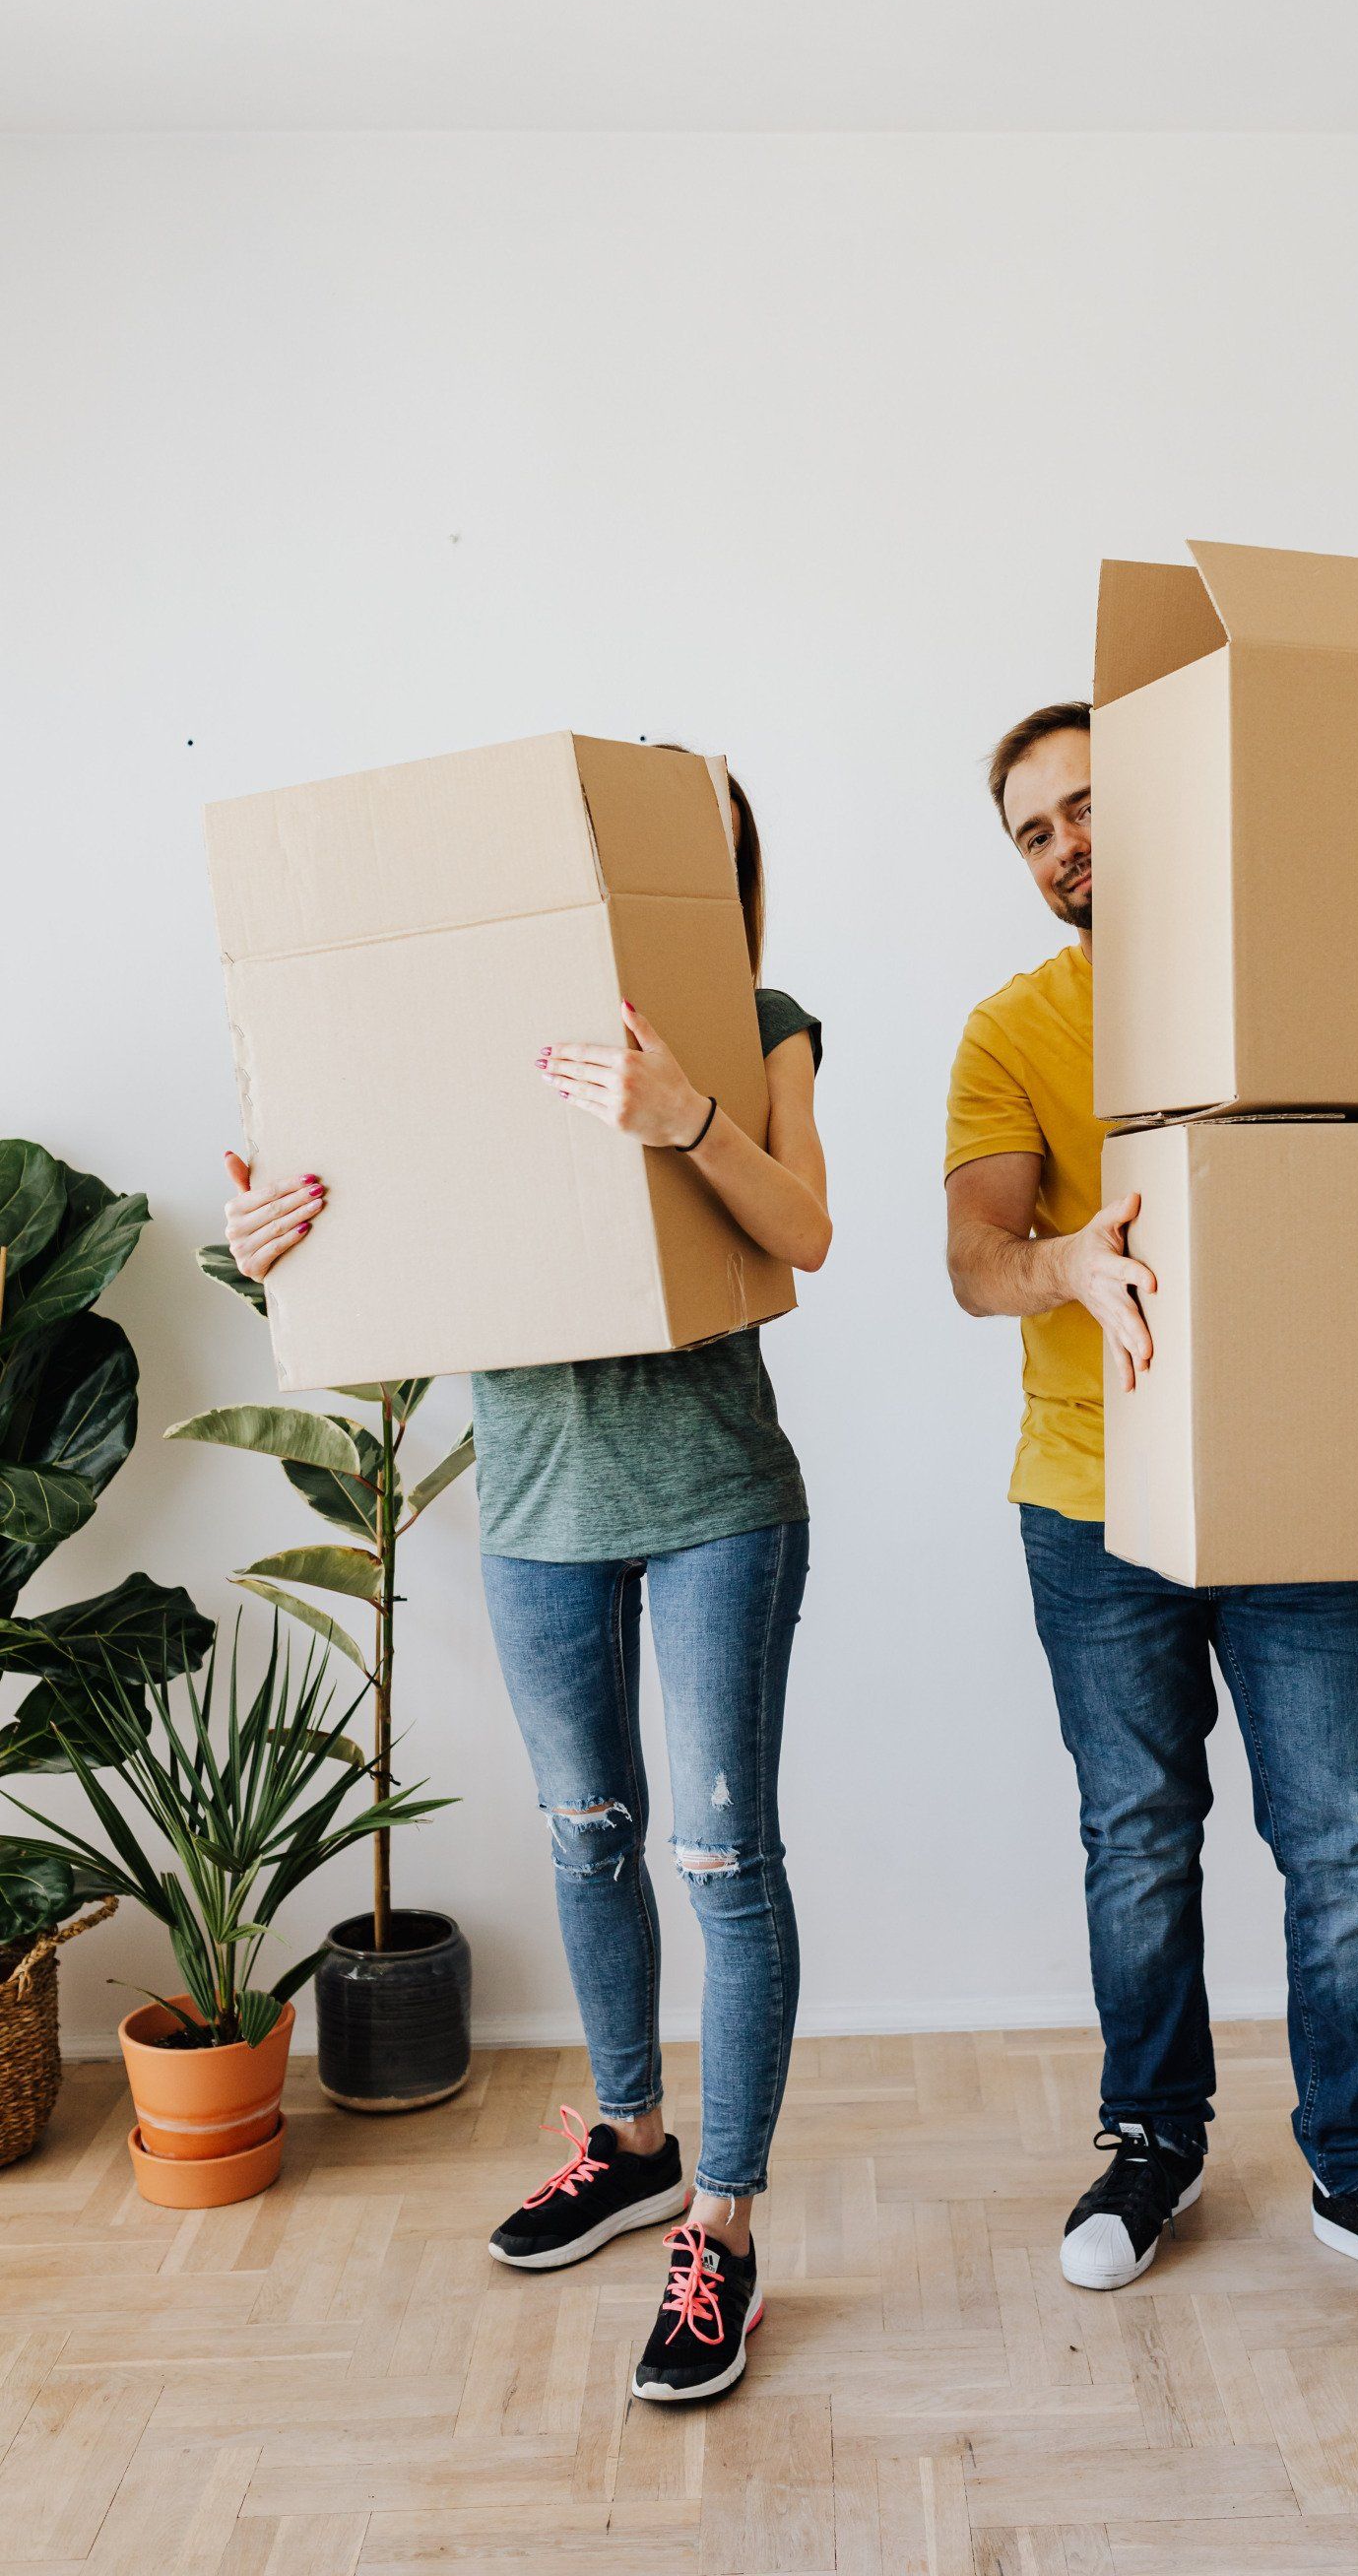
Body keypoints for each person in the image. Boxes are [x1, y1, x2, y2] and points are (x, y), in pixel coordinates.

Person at [222, 765, 828, 2405]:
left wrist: (684, 1115)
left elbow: (808, 1231)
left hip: (717, 1503)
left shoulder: (764, 1019)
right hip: (536, 1514)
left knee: (718, 1857)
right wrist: (286, 1241)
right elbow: (387, 1241)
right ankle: (629, 2141)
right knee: (586, 1840)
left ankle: (727, 2225)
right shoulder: (460, 1036)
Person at [942, 700, 1358, 2334]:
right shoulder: (1013, 1029)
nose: (1067, 847)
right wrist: (1065, 1261)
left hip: (1301, 1481)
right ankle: (1151, 2144)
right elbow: (978, 1258)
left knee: (1344, 1845)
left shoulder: (1306, 990)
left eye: (1089, 808)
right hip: (1092, 1504)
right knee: (1136, 1838)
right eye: (1036, 833)